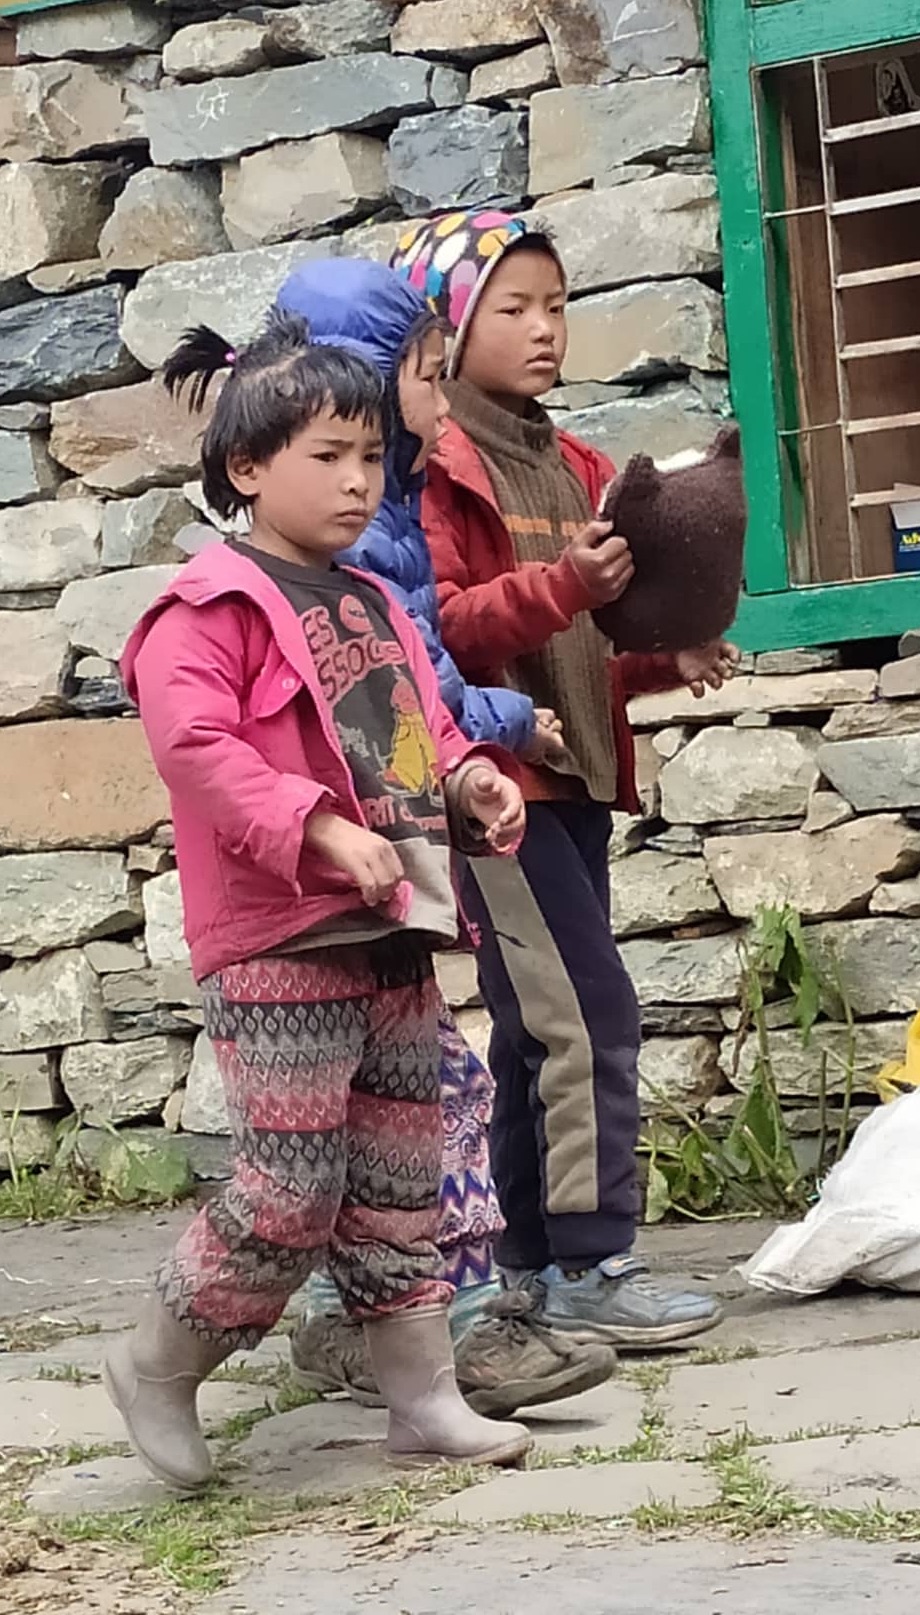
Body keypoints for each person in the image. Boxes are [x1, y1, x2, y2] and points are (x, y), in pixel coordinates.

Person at [107, 309, 535, 1493]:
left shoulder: (375, 603)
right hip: (279, 935)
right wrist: (315, 826)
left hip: (392, 925)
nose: (358, 483)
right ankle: (161, 1356)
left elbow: (425, 727)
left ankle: (423, 1399)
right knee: (292, 1182)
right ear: (245, 468)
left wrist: (471, 779)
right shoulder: (207, 608)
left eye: (369, 459)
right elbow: (196, 747)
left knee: (400, 1175)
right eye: (326, 458)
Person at [272, 256, 616, 1415]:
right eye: (423, 377)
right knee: (360, 1121)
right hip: (332, 876)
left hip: (407, 845)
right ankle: (413, 1311)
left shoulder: (396, 517)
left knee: (422, 1090)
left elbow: (413, 683)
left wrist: (473, 758)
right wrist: (503, 724)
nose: (431, 408)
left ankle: (404, 1316)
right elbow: (387, 701)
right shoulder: (315, 561)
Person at [393, 210, 739, 1347]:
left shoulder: (581, 463)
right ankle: (595, 1265)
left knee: (538, 1025)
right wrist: (563, 589)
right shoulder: (436, 472)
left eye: (556, 305)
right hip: (497, 792)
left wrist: (658, 656)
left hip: (575, 785)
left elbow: (583, 647)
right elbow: (442, 635)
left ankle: (525, 1260)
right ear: (447, 325)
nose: (545, 330)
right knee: (588, 1013)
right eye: (514, 308)